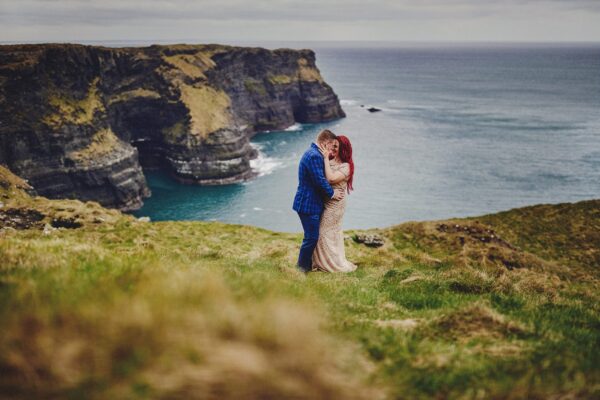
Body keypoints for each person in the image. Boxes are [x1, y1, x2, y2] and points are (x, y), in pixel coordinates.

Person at [293, 129, 345, 273]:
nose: (332, 150)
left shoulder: (314, 153)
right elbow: (319, 181)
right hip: (308, 204)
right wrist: (332, 193)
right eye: (331, 146)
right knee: (311, 238)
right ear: (325, 143)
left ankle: (308, 266)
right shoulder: (314, 156)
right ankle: (301, 269)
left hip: (308, 203)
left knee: (311, 237)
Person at [312, 135, 357, 272]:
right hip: (325, 202)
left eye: (336, 146)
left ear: (343, 149)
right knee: (327, 233)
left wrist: (325, 158)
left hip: (335, 205)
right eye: (332, 145)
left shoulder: (346, 166)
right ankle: (322, 262)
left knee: (323, 232)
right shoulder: (330, 161)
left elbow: (331, 179)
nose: (333, 148)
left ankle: (330, 264)